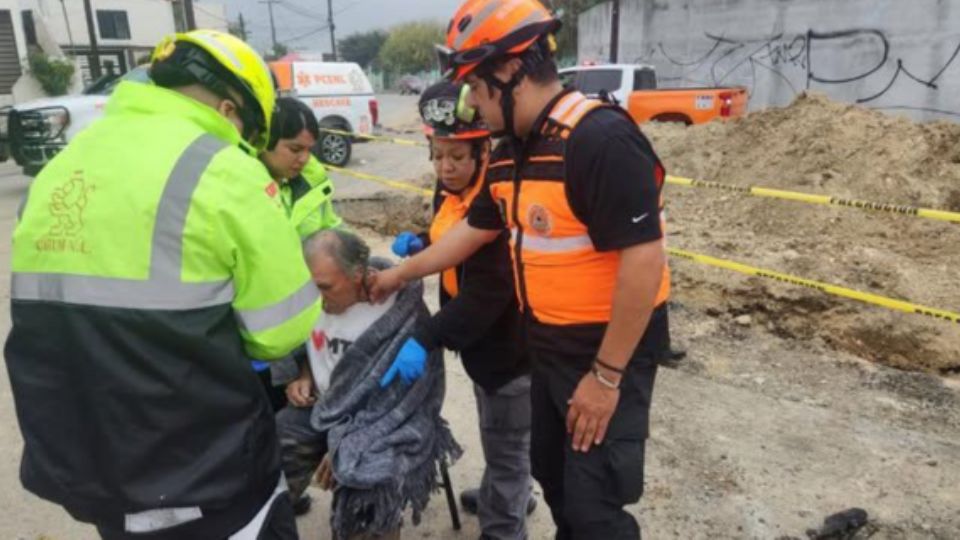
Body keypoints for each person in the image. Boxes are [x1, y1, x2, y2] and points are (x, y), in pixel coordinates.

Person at [371, 1, 672, 538]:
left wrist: (605, 379)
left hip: (603, 351)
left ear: (509, 71)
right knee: (554, 482)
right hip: (546, 348)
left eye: (476, 90)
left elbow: (644, 260)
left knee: (592, 506)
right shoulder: (511, 151)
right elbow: (472, 231)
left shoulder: (599, 140)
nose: (475, 107)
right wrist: (399, 274)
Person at [5, 30, 321, 540]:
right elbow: (279, 330)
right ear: (229, 108)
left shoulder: (64, 166)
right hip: (207, 474)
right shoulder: (225, 168)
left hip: (93, 471)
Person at [388, 80, 534, 539]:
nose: (446, 167)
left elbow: (487, 293)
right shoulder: (451, 191)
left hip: (511, 353)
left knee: (507, 446)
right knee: (502, 442)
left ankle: (504, 527)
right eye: (438, 155)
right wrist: (425, 242)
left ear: (482, 154)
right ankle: (510, 492)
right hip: (484, 351)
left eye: (457, 157)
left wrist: (426, 337)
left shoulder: (497, 199)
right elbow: (454, 237)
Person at [277, 229, 460, 540]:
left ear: (357, 274)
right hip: (323, 407)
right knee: (268, 450)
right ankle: (269, 524)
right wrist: (301, 373)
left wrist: (347, 442)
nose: (317, 297)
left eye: (325, 287)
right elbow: (292, 340)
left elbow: (407, 402)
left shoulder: (400, 313)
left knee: (370, 483)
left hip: (383, 423)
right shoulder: (310, 298)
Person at [253, 97, 345, 414]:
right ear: (264, 141)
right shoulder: (242, 185)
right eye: (295, 149)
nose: (304, 159)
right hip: (259, 327)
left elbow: (332, 230)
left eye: (309, 149)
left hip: (306, 314)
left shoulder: (311, 180)